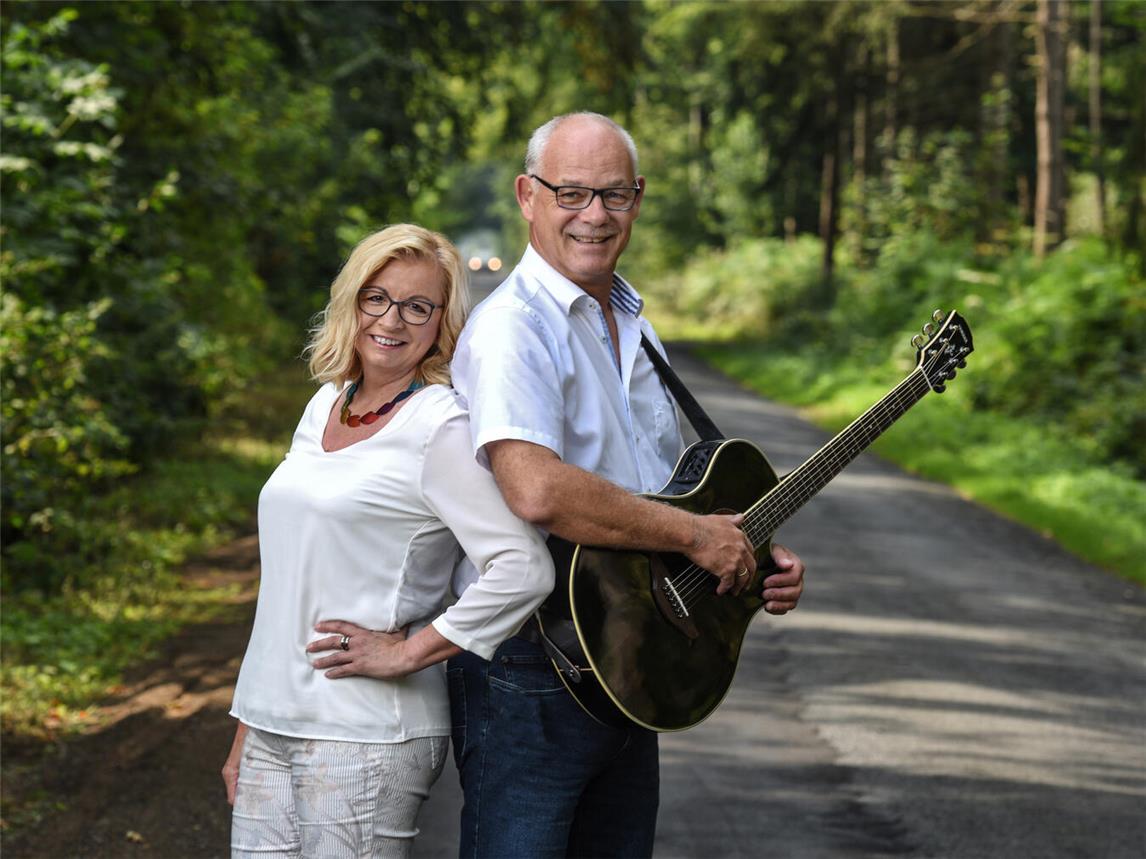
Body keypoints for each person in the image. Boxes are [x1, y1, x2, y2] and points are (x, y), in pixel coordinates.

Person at [221, 224, 554, 859]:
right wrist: (248, 722)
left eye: (417, 306)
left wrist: (408, 654)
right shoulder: (326, 404)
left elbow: (522, 567)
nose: (391, 320)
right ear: (351, 301)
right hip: (272, 721)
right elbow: (289, 585)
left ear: (441, 324)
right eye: (376, 297)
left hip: (366, 732)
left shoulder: (440, 424)